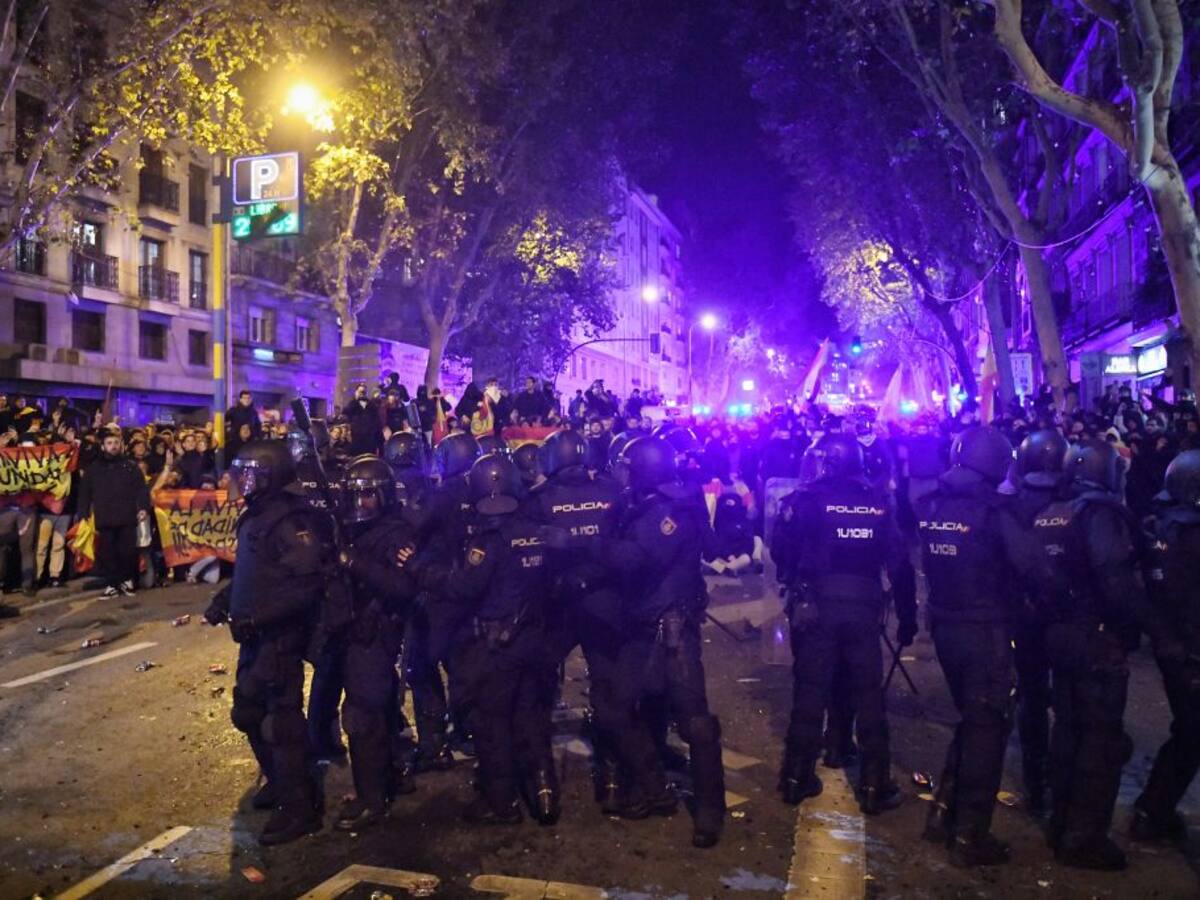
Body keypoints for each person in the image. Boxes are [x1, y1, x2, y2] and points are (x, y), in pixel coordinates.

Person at [1030, 439, 1184, 870]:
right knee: (1099, 741)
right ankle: (1084, 839)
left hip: (1059, 634)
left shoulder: (1052, 512)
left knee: (1069, 733)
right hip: (1095, 637)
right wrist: (1158, 630)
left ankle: (1063, 822)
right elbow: (1115, 580)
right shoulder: (1099, 513)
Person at [772, 432, 916, 816]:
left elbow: (779, 550)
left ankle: (795, 776)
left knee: (810, 689)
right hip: (863, 608)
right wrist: (908, 617)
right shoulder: (877, 502)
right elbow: (900, 565)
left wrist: (795, 578)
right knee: (868, 692)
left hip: (815, 605)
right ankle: (874, 783)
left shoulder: (805, 500)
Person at [593, 436, 726, 848]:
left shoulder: (665, 510)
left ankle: (706, 809)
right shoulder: (672, 501)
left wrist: (592, 540)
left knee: (691, 720)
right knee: (639, 707)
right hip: (648, 624)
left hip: (669, 631)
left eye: (631, 469)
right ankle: (653, 784)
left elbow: (631, 560)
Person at [915, 426, 1038, 867]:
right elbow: (1032, 568)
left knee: (973, 720)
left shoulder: (929, 504)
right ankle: (970, 834)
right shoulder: (996, 510)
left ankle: (946, 811)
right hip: (985, 630)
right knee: (988, 729)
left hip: (946, 627)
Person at [412, 454, 556, 824]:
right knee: (530, 717)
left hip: (498, 646)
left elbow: (463, 587)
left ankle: (501, 801)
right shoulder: (537, 531)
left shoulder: (489, 540)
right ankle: (544, 796)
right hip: (535, 640)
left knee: (491, 724)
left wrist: (423, 573)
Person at [203, 440, 331, 846]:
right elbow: (252, 572)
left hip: (278, 640)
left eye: (249, 473)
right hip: (253, 638)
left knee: (282, 724)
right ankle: (280, 780)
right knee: (248, 714)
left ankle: (300, 807)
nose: (241, 480)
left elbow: (306, 586)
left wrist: (261, 617)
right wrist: (225, 601)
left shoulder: (288, 522)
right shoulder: (256, 516)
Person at [531, 429, 625, 812]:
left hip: (559, 605)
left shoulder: (540, 498)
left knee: (536, 687)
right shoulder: (611, 491)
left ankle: (543, 785)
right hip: (605, 603)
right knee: (609, 688)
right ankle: (614, 780)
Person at [332, 456, 422, 830]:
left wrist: (355, 563)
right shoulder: (353, 528)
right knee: (376, 713)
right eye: (355, 496)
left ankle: (372, 800)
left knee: (363, 718)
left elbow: (404, 587)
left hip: (376, 633)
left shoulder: (395, 533)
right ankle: (387, 779)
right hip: (354, 634)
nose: (360, 504)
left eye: (367, 496)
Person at [1133, 449, 1200, 843]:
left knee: (1190, 731)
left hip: (1171, 645)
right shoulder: (1190, 533)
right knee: (1191, 732)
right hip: (1190, 647)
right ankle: (1152, 810)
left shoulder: (1160, 525)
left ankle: (1154, 808)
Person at [403, 431, 481, 769]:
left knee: (420, 666)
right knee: (463, 666)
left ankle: (434, 743)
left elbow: (416, 524)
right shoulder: (483, 489)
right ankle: (469, 730)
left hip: (438, 591)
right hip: (472, 588)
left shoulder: (444, 493)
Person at [1010, 429, 1069, 819]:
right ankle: (1059, 782)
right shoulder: (1078, 504)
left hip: (1025, 616)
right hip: (1067, 615)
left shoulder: (1010, 505)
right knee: (1068, 699)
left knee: (1032, 696)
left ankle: (1037, 781)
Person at [76, 427, 150, 598]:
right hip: (105, 518)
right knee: (107, 553)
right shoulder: (93, 469)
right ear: (103, 446)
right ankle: (111, 584)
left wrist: (143, 508)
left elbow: (141, 489)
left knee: (128, 552)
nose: (113, 446)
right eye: (109, 443)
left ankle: (127, 581)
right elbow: (85, 493)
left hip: (127, 517)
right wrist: (83, 513)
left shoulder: (130, 467)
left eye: (116, 443)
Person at [345, 384, 382, 457]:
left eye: (363, 392)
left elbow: (377, 423)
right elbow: (346, 415)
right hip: (355, 439)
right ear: (356, 392)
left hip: (369, 441)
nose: (362, 393)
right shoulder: (352, 405)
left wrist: (377, 441)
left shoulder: (372, 406)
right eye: (360, 391)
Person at [226, 391, 261, 455]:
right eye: (244, 398)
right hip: (236, 443)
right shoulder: (233, 410)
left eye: (248, 398)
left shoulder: (254, 413)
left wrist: (256, 436)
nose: (247, 400)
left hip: (250, 444)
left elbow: (258, 426)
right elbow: (225, 420)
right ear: (240, 399)